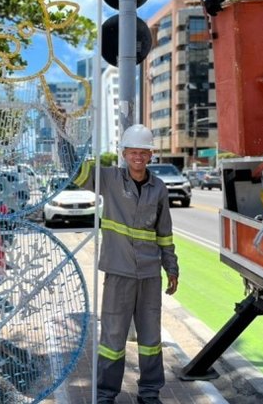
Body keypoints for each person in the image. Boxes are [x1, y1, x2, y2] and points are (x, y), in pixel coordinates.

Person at [73, 124, 179, 404]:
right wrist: (66, 135)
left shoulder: (159, 189)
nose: (138, 157)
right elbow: (77, 172)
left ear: (151, 155)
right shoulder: (109, 179)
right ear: (123, 153)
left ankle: (149, 394)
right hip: (118, 273)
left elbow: (165, 233)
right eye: (133, 152)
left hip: (149, 275)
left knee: (150, 338)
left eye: (144, 152)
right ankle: (106, 394)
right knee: (112, 338)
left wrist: (172, 268)